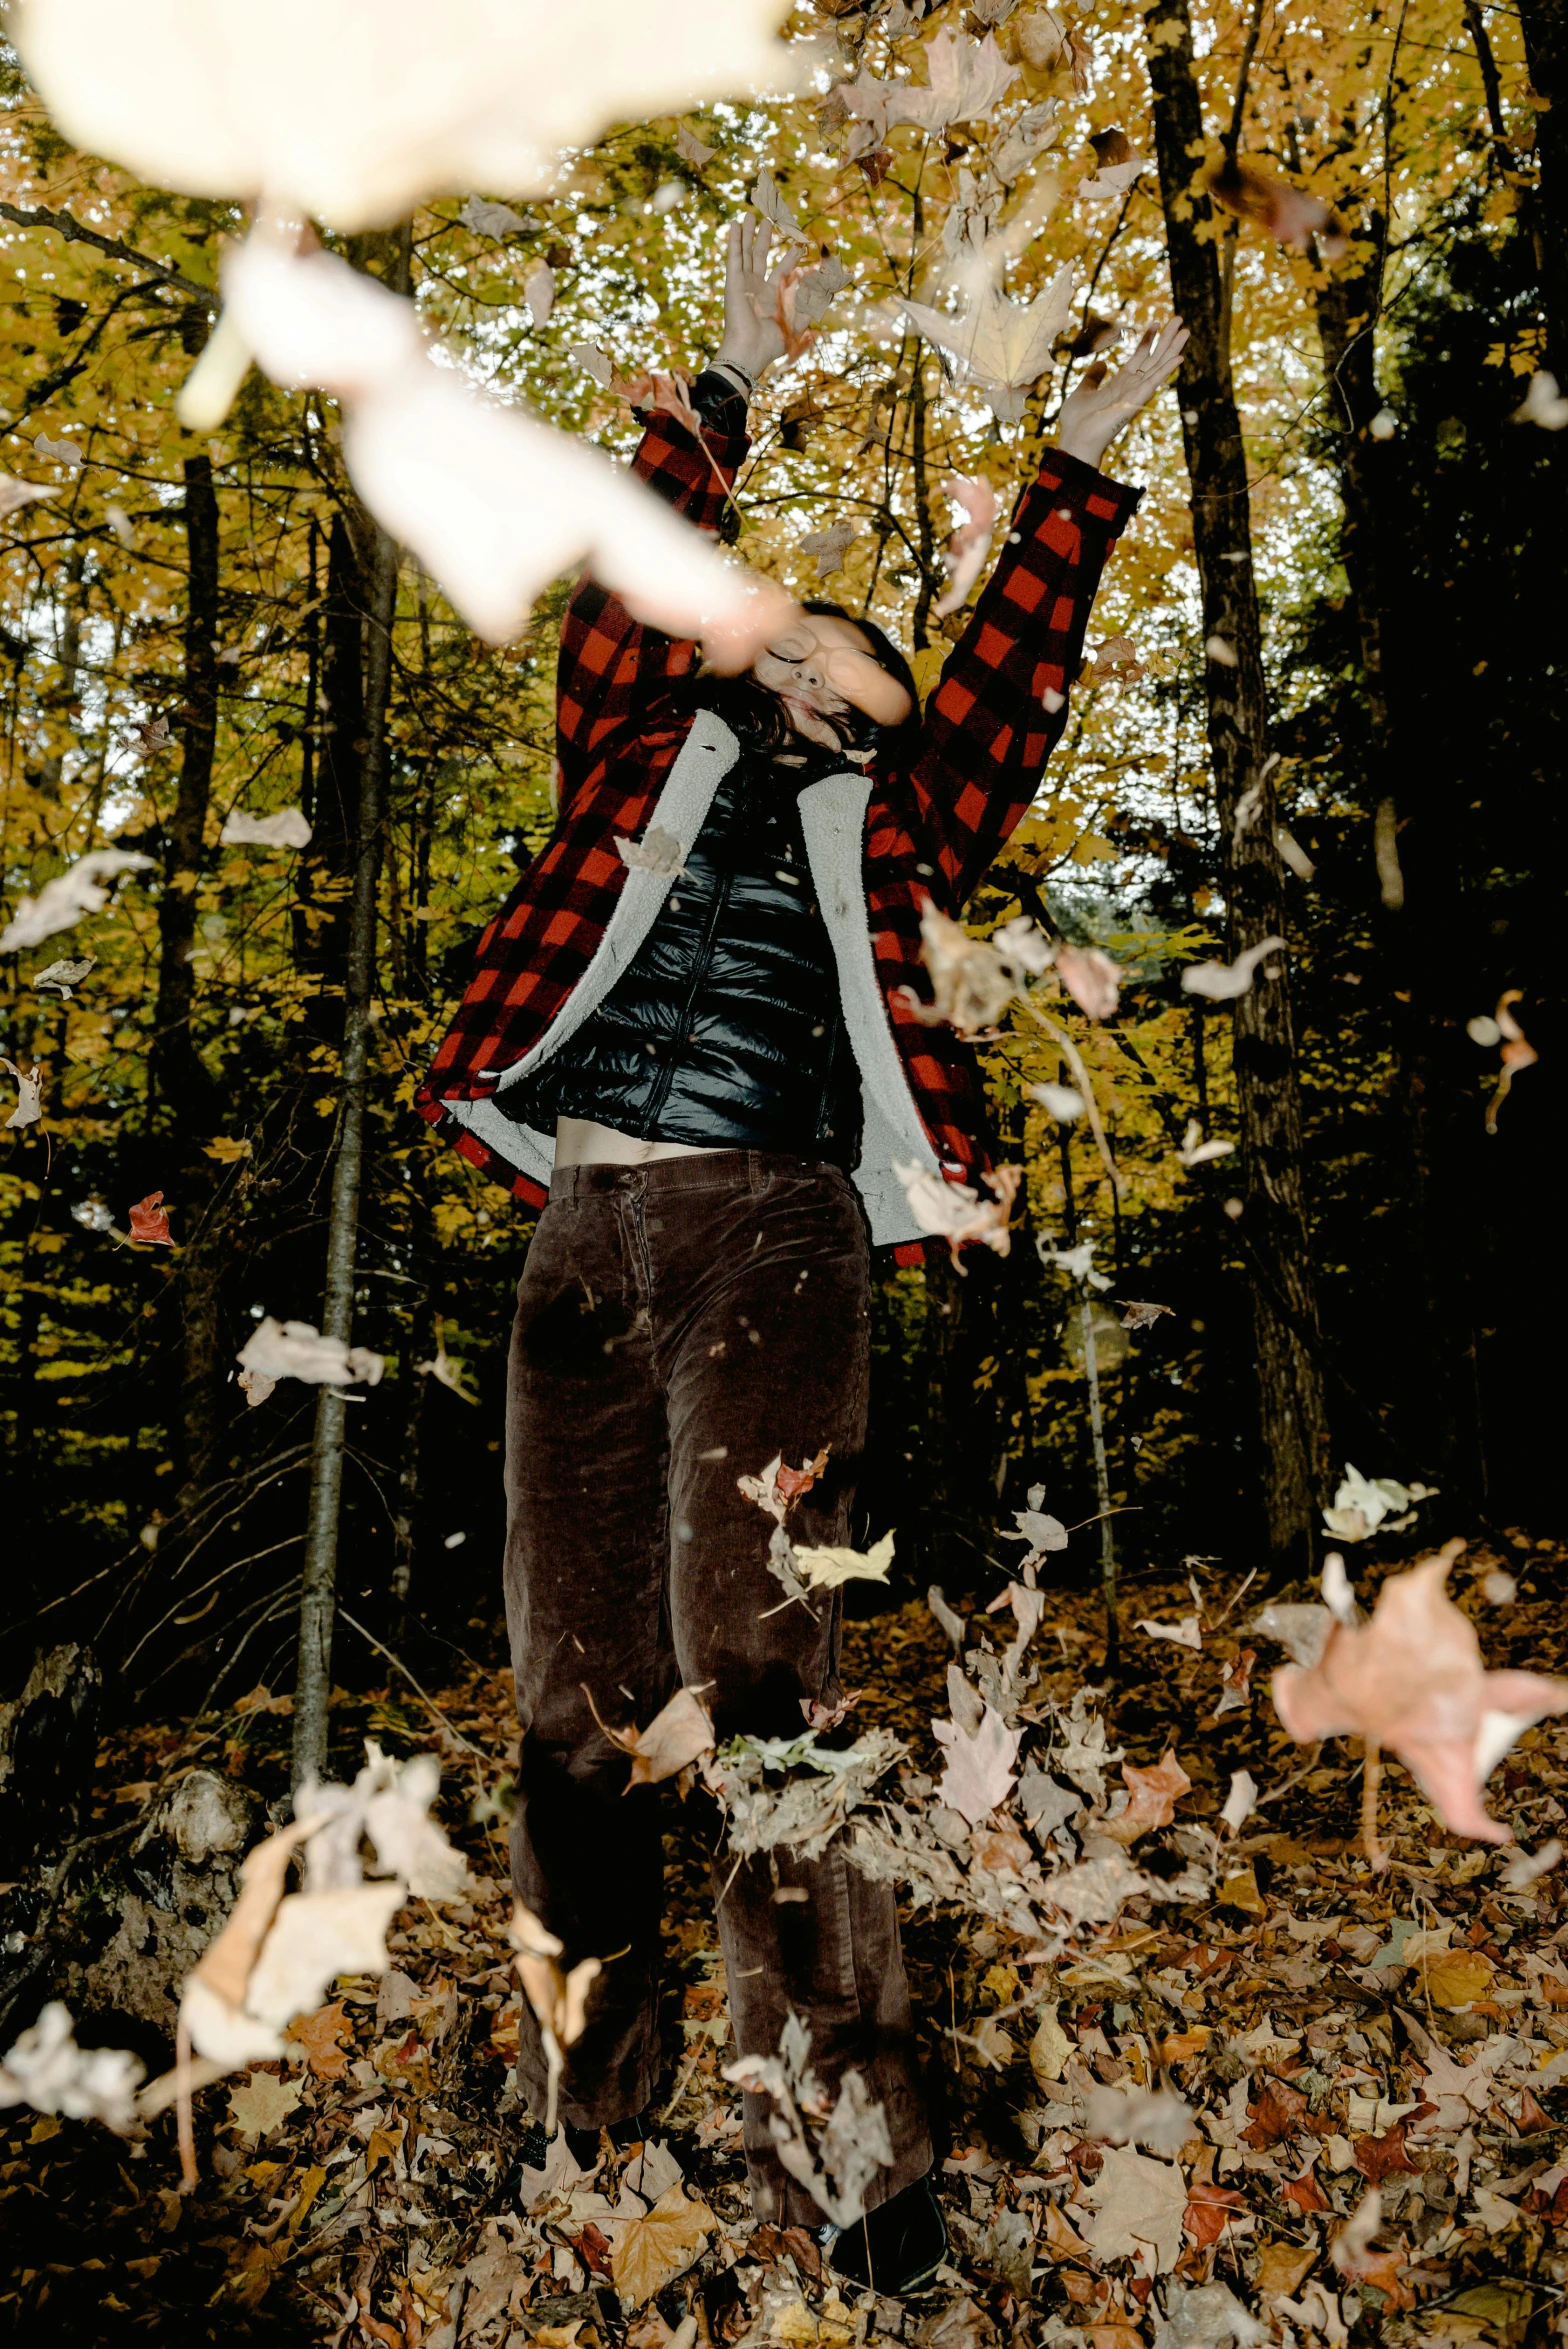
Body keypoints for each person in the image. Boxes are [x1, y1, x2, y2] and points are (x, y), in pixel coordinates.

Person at [419, 215, 1186, 2291]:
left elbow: (1009, 680)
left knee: (763, 1685)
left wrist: (1083, 471)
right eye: (813, 655)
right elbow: (627, 603)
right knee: (571, 1704)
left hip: (776, 1230)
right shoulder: (634, 758)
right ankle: (592, 2105)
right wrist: (729, 386)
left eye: (872, 684)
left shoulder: (903, 822)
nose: (843, 688)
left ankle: (851, 2150)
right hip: (579, 1234)